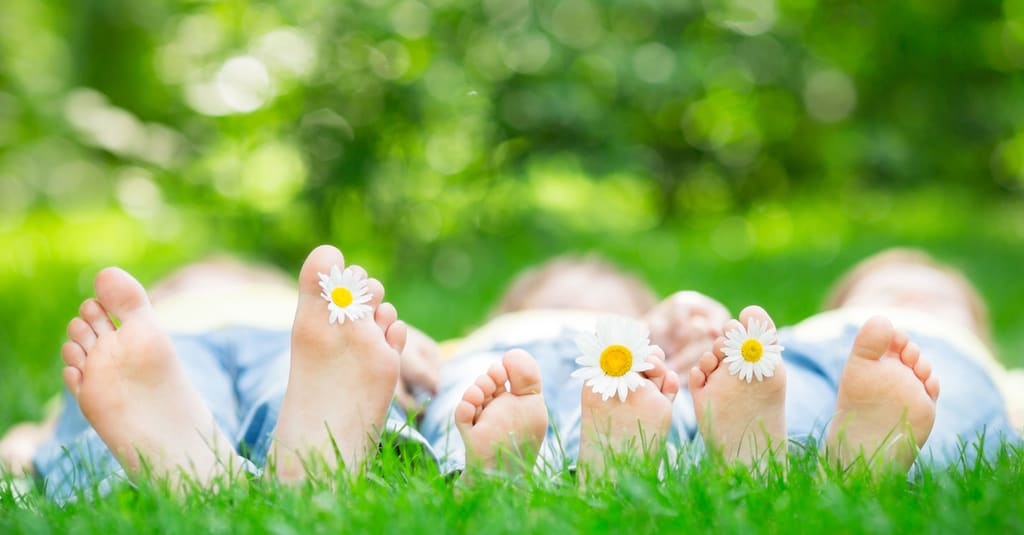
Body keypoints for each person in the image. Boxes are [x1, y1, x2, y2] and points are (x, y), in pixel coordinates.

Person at [1, 246, 1020, 501]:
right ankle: (789, 455)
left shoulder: (490, 340)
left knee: (475, 397)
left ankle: (257, 463)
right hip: (538, 357)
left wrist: (680, 329)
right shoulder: (483, 340)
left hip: (532, 359)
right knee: (879, 372)